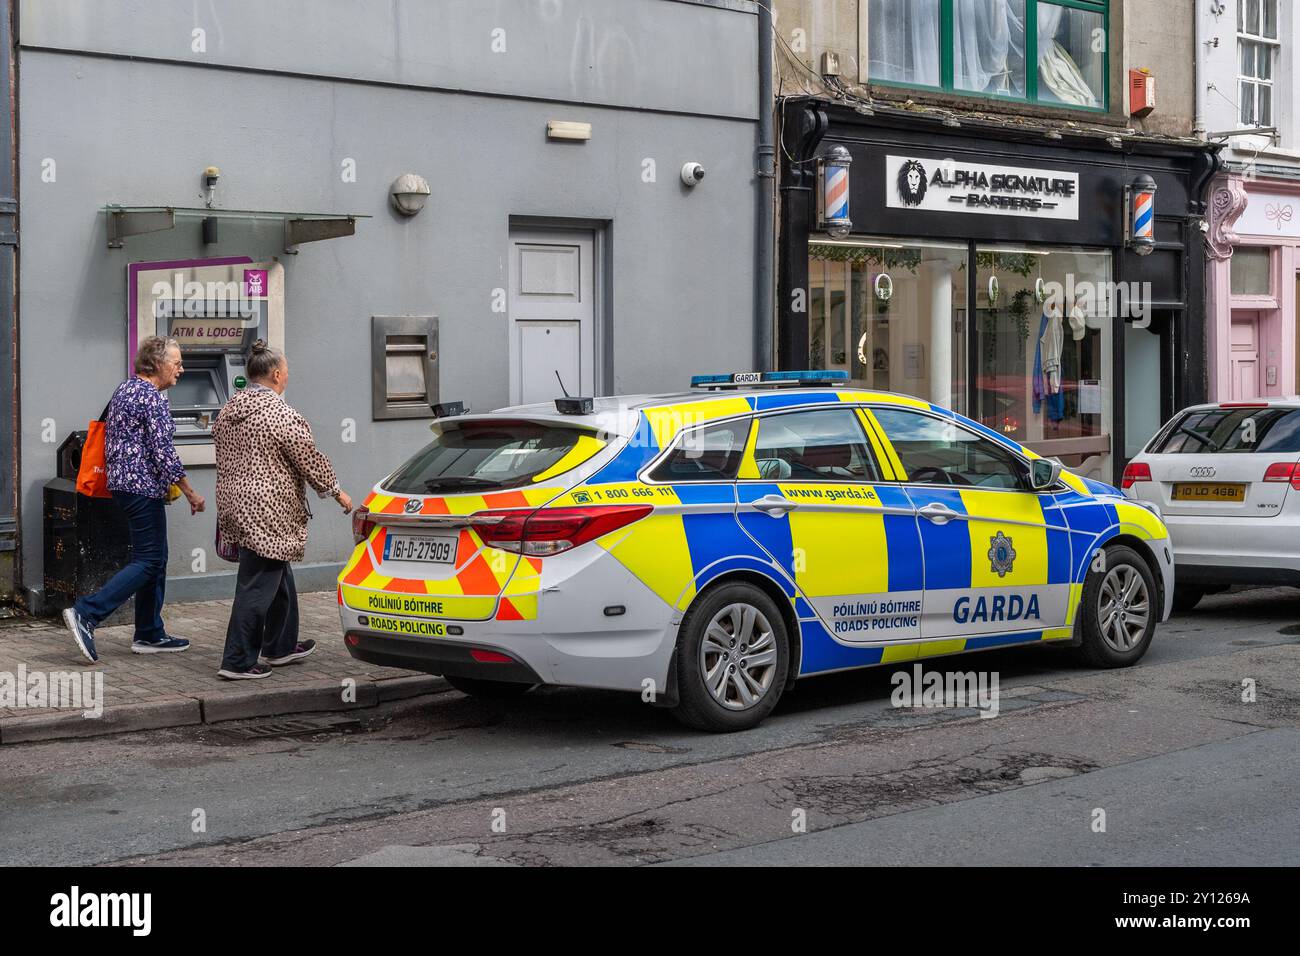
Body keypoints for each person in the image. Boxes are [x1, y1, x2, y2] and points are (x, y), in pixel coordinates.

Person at [212, 341, 352, 680]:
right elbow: (308, 459)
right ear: (276, 374)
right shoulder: (281, 414)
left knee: (276, 572)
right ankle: (238, 660)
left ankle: (280, 645)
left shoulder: (229, 410)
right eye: (286, 371)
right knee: (257, 584)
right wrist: (336, 491)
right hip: (268, 509)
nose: (288, 376)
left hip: (233, 504)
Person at [63, 336, 206, 662]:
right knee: (149, 560)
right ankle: (87, 611)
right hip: (141, 488)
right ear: (157, 364)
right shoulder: (151, 398)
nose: (181, 369)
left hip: (124, 486)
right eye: (177, 362)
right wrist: (190, 492)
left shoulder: (125, 389)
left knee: (157, 557)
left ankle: (149, 632)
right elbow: (163, 452)